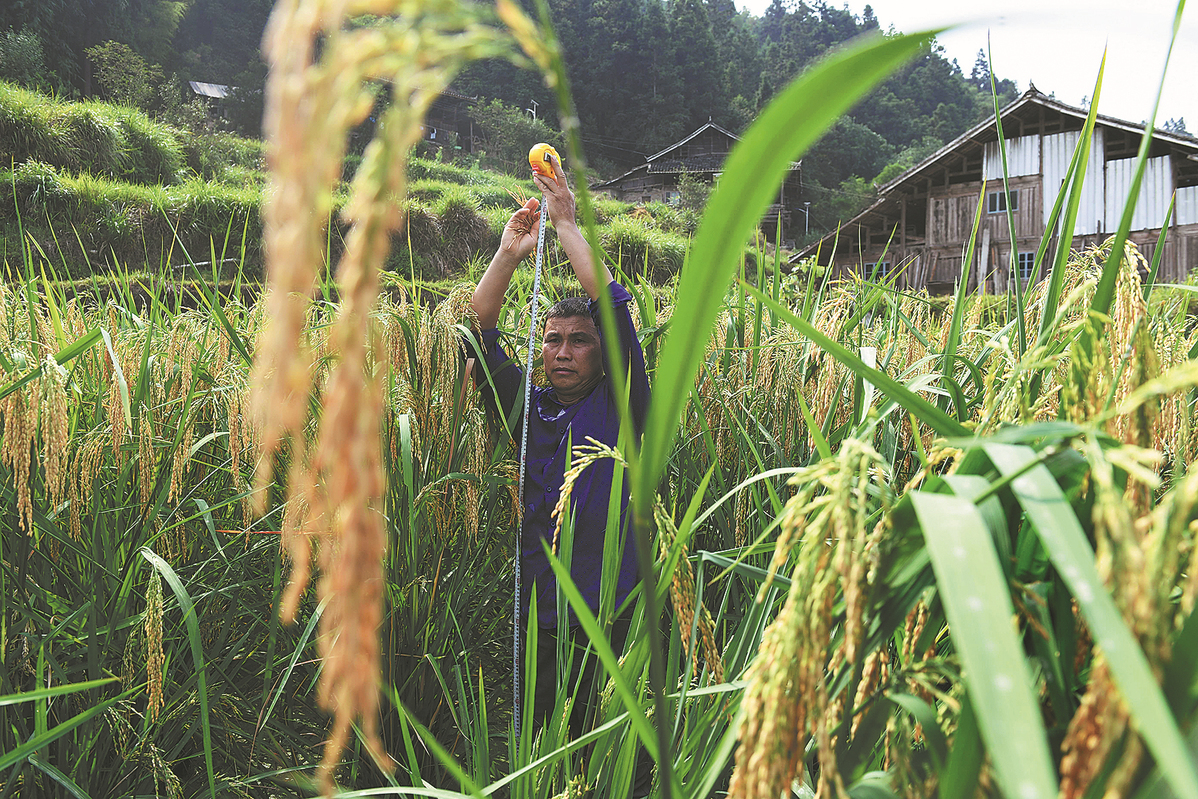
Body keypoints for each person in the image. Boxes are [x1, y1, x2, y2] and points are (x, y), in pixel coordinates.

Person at [468, 153, 650, 738]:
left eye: (579, 341)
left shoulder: (621, 402)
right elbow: (476, 330)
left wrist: (566, 223)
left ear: (602, 354)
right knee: (542, 744)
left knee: (607, 747)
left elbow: (614, 309)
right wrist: (508, 253)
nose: (563, 351)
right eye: (552, 341)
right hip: (541, 613)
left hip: (610, 611)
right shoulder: (530, 408)